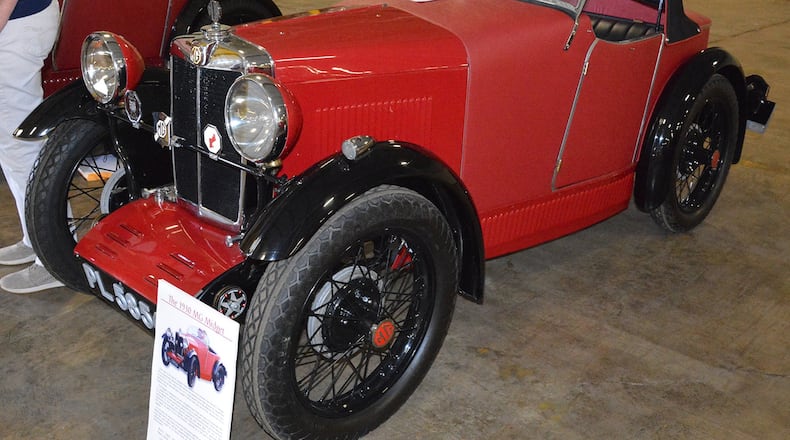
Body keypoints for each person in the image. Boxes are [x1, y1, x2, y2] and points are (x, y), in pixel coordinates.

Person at [0, 0, 61, 293]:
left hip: (14, 24)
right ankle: (33, 236)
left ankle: (51, 256)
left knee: (20, 143)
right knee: (12, 145)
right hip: (16, 21)